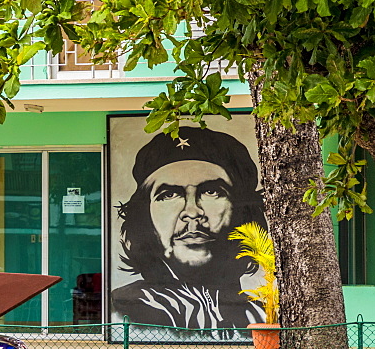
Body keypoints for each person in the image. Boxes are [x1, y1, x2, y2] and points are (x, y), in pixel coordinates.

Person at [111, 126, 267, 331]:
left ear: (243, 212)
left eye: (211, 191)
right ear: (144, 219)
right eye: (168, 195)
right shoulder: (124, 311)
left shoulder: (261, 314)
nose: (192, 212)